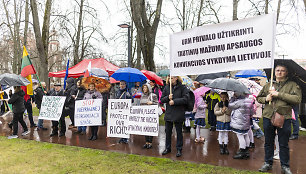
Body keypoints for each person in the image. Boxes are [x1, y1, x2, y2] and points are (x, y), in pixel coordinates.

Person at [257, 64, 302, 174]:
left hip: (284, 117)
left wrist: (278, 94)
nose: (279, 72)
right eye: (277, 70)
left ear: (286, 72)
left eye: (282, 70)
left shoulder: (292, 85)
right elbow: (258, 98)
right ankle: (268, 163)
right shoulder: (268, 84)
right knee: (268, 142)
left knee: (283, 143)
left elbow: (297, 99)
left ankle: (285, 166)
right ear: (274, 72)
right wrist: (265, 98)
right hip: (268, 116)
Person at [161, 76, 188, 157]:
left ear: (176, 78)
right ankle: (167, 148)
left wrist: (175, 101)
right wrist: (167, 98)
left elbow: (186, 99)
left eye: (172, 78)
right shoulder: (166, 88)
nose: (170, 80)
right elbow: (162, 99)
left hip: (178, 113)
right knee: (168, 132)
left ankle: (179, 149)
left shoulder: (182, 88)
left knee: (179, 132)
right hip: (169, 113)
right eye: (169, 78)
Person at [228, 92, 254, 160]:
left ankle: (242, 151)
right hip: (246, 121)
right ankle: (246, 151)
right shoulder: (250, 101)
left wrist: (232, 98)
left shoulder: (239, 102)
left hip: (239, 121)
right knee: (245, 135)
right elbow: (252, 112)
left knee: (240, 136)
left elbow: (230, 105)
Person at [139, 83, 158, 149]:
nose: (144, 89)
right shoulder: (142, 96)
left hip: (151, 116)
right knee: (145, 129)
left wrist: (152, 103)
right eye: (143, 88)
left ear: (149, 88)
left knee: (150, 129)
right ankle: (146, 142)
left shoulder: (153, 95)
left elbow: (157, 104)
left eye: (145, 87)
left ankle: (150, 142)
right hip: (144, 115)